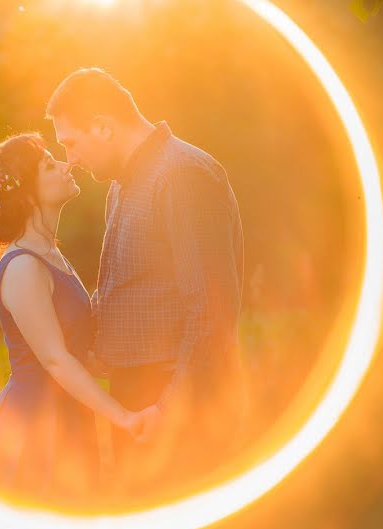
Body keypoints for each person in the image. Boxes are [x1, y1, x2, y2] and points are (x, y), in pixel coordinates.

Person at [46, 67, 247, 496]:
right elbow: (130, 286)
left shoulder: (182, 175)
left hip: (179, 402)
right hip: (137, 398)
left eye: (71, 143)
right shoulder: (123, 184)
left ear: (102, 126)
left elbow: (212, 307)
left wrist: (168, 408)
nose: (71, 159)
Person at [0, 132, 159, 504]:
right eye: (50, 166)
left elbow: (78, 351)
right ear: (28, 193)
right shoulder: (23, 266)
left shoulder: (52, 255)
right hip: (32, 428)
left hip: (68, 417)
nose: (66, 165)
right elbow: (54, 358)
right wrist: (123, 417)